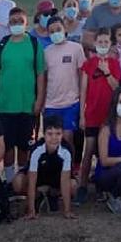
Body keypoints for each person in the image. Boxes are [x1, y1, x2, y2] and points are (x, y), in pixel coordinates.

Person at [0, 6, 46, 184]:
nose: (16, 24)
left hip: (27, 105)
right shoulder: (1, 45)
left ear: (26, 23)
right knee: (7, 147)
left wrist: (39, 100)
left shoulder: (34, 44)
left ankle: (22, 182)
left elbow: (40, 74)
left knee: (25, 147)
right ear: (9, 23)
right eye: (13, 22)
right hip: (4, 105)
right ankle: (9, 181)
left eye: (20, 22)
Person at [75, 27, 121, 204]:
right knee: (88, 152)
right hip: (92, 115)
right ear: (95, 44)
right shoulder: (88, 64)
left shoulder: (115, 63)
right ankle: (82, 186)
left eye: (106, 42)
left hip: (108, 117)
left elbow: (117, 87)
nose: (103, 45)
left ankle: (104, 186)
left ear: (110, 44)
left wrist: (107, 71)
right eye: (100, 42)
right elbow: (83, 91)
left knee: (105, 152)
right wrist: (82, 115)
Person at [13, 115, 77, 220]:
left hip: (57, 180)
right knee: (18, 182)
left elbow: (65, 180)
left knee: (73, 186)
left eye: (58, 134)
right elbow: (31, 180)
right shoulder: (37, 149)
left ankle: (54, 195)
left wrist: (67, 211)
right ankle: (38, 196)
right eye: (50, 134)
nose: (54, 138)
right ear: (44, 134)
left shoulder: (66, 150)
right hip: (38, 178)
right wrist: (31, 211)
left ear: (62, 134)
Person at [43, 16, 86, 148]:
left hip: (70, 103)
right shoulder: (46, 52)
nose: (56, 33)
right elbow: (44, 79)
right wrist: (43, 102)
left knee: (67, 138)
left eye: (58, 29)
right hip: (51, 104)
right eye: (52, 31)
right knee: (52, 141)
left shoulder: (76, 48)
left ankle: (69, 167)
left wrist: (82, 103)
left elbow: (82, 77)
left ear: (64, 29)